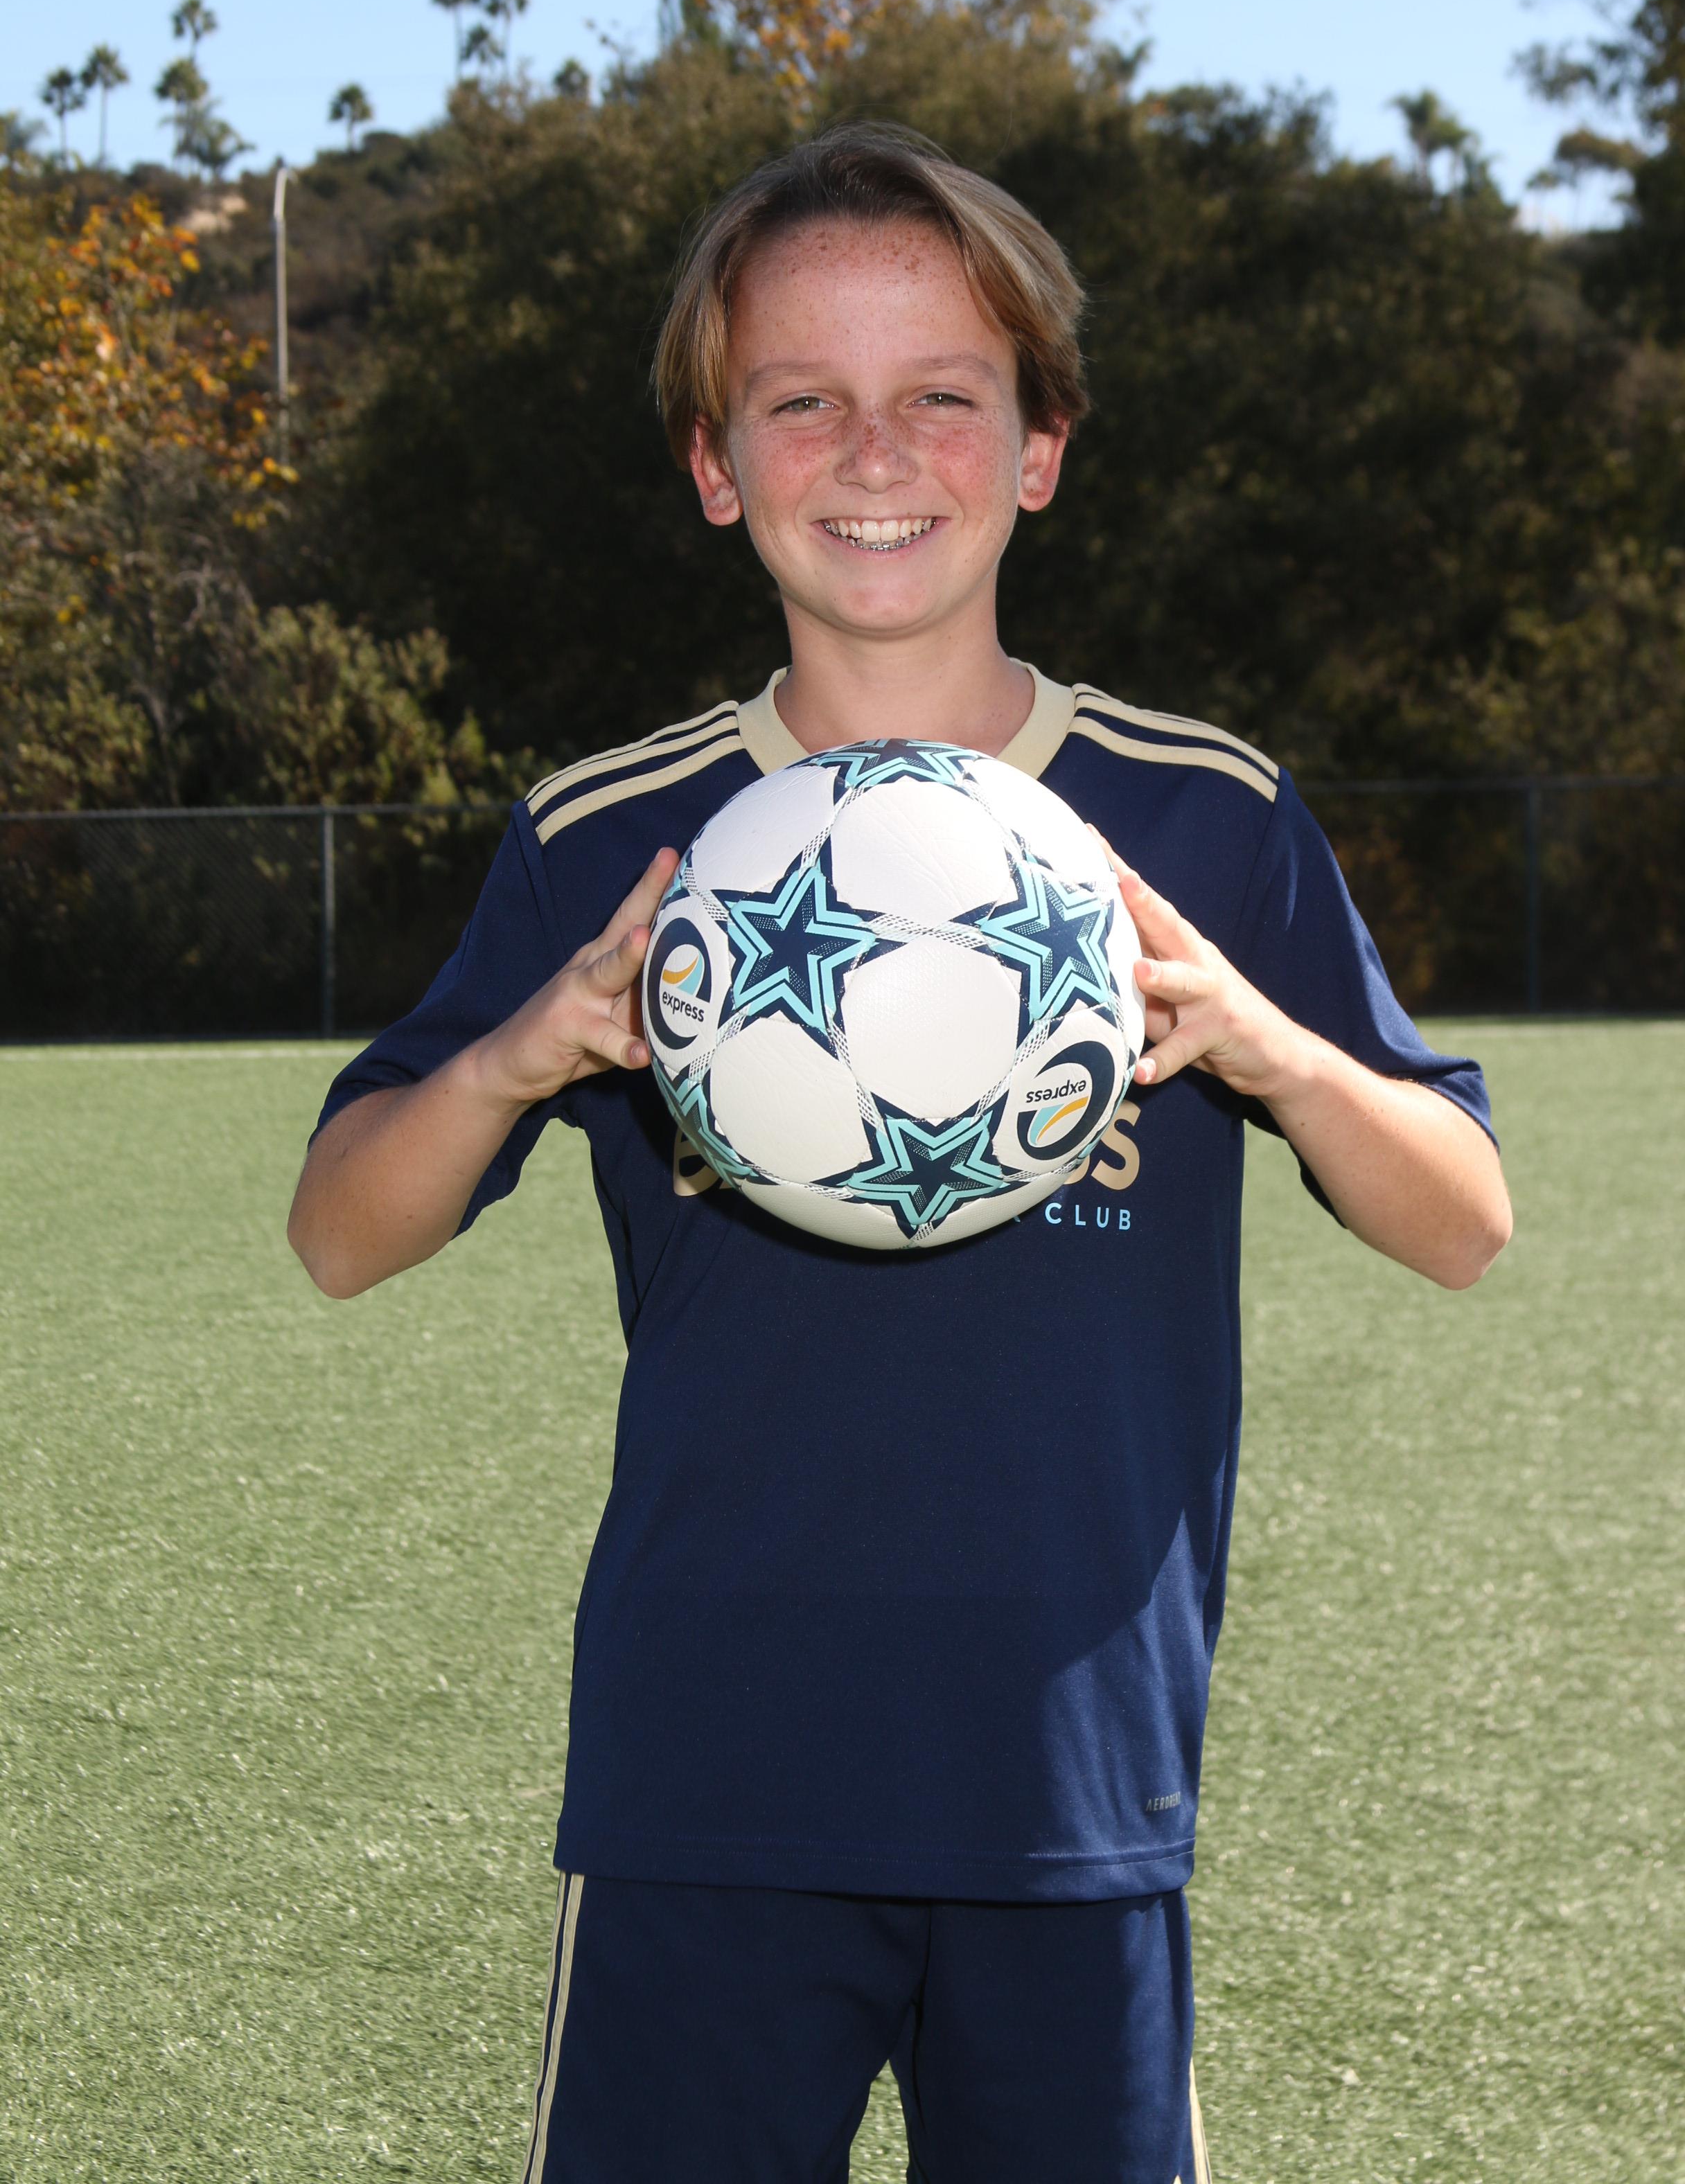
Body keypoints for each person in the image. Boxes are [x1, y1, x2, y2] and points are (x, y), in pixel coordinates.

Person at [289, 124, 1512, 2184]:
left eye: (945, 394)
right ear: (715, 463)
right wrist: (518, 1053)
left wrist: (1268, 1044)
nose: (876, 453)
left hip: (1076, 1789)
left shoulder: (1203, 816)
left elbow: (1464, 1221)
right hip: (708, 1787)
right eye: (803, 402)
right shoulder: (615, 837)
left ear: (1039, 449)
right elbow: (340, 1231)